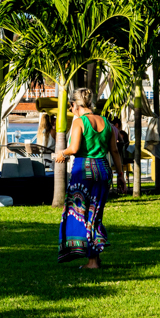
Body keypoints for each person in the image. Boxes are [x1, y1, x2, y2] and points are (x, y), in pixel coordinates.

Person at [53, 87, 126, 269]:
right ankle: (94, 259)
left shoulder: (80, 122)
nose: (71, 110)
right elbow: (115, 151)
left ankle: (91, 261)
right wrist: (121, 176)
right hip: (103, 170)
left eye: (71, 107)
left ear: (75, 105)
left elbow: (75, 148)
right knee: (95, 214)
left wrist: (62, 153)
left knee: (79, 213)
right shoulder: (107, 123)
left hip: (83, 170)